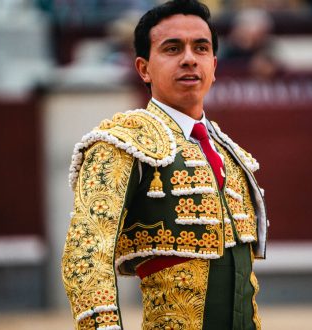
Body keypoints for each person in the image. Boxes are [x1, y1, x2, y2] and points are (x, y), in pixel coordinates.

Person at [61, 1, 269, 329]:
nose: (189, 58)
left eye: (200, 48)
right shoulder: (123, 142)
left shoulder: (230, 153)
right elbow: (86, 256)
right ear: (144, 68)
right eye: (172, 48)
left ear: (213, 65)